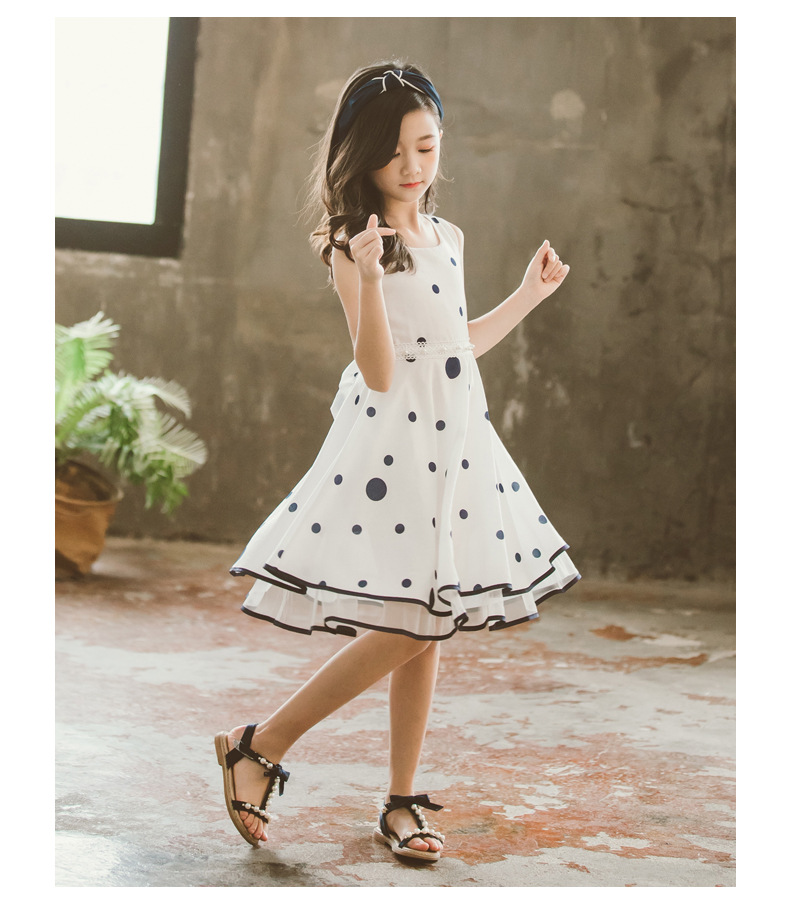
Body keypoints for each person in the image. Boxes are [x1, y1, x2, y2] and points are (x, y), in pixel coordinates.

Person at [215, 61, 580, 862]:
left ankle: (401, 800)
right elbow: (379, 370)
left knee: (429, 619)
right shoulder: (352, 246)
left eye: (427, 146)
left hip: (457, 439)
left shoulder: (448, 238)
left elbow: (455, 346)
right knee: (414, 621)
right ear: (362, 155)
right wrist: (374, 279)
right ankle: (261, 744)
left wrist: (528, 295)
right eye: (394, 152)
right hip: (395, 447)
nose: (413, 167)